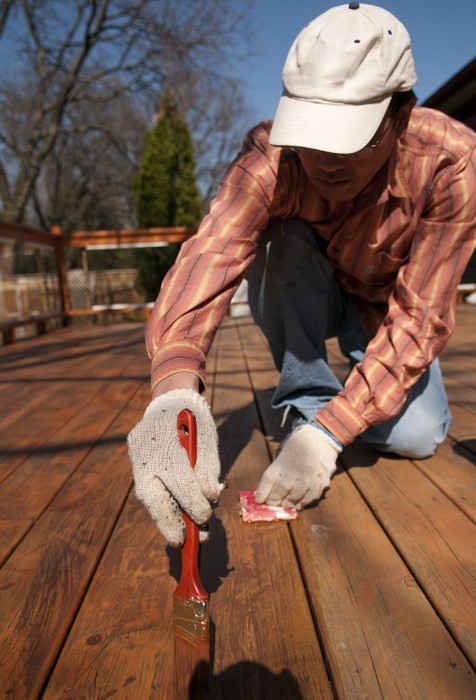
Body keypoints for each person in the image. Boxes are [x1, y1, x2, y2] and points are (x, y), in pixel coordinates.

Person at [127, 3, 476, 547]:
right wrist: (172, 390)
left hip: (386, 313)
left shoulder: (450, 162)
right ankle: (308, 398)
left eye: (351, 138)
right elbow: (212, 252)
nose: (325, 161)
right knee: (280, 240)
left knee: (416, 436)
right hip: (307, 289)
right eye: (311, 135)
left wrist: (329, 437)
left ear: (400, 117)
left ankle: (319, 426)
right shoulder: (271, 157)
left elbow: (422, 315)